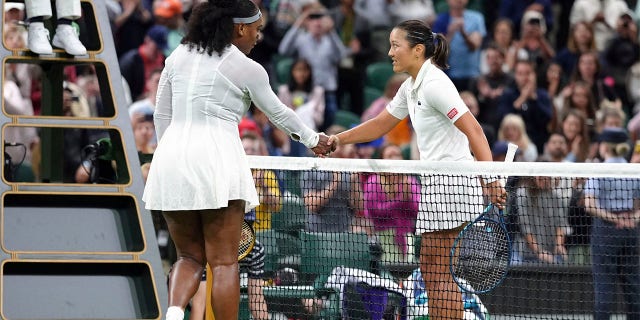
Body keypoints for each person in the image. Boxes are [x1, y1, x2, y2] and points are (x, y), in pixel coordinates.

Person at [141, 1, 332, 320]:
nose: (259, 37)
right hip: (217, 159)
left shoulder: (177, 57)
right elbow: (279, 113)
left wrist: (169, 153)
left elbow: (162, 114)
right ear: (240, 28)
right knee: (224, 261)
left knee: (188, 256)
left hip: (171, 158)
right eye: (257, 30)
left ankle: (174, 312)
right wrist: (315, 139)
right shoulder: (247, 68)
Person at [326, 19, 506, 320]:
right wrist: (336, 139)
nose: (389, 52)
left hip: (453, 183)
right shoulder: (411, 86)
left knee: (438, 270)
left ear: (418, 49)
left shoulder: (435, 84)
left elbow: (475, 130)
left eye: (396, 45)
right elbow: (381, 124)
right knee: (432, 268)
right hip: (439, 184)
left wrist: (490, 179)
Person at [583, 127, 640, 320]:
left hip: (606, 233)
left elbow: (590, 205)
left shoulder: (599, 169)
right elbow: (637, 204)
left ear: (604, 146)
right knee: (634, 286)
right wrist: (631, 218)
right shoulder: (633, 169)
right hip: (631, 231)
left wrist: (615, 219)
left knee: (604, 286)